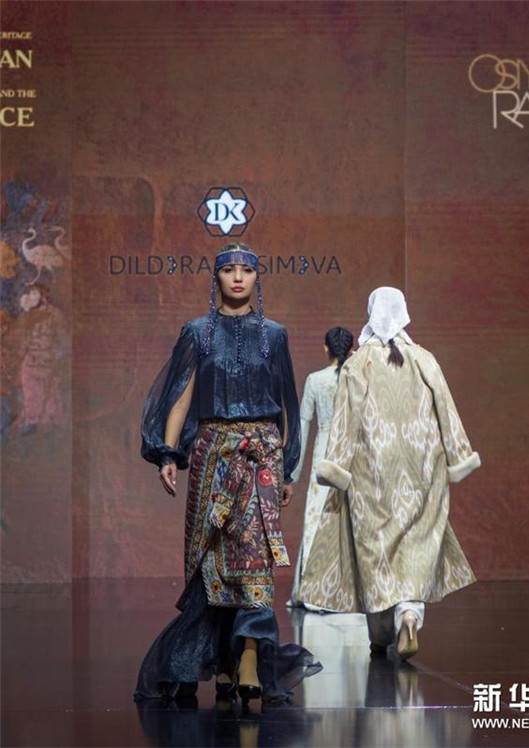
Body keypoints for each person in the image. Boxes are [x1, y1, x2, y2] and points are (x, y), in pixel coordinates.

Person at [134, 242, 321, 705]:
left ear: (257, 278)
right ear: (216, 277)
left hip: (260, 456)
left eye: (247, 270)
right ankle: (221, 659)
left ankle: (251, 657)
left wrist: (287, 467)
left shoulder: (274, 335)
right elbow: (181, 395)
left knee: (255, 557)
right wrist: (168, 454)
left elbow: (286, 404)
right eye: (229, 270)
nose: (238, 278)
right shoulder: (196, 333)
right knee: (210, 562)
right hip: (212, 454)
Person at [299, 287, 480, 659]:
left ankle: (381, 634)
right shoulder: (424, 359)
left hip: (373, 467)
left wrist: (337, 466)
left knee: (376, 548)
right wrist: (458, 455)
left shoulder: (359, 363)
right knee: (417, 543)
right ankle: (409, 614)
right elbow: (447, 410)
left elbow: (345, 420)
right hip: (423, 464)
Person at [287, 327, 354, 609]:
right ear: (351, 350)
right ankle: (346, 591)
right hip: (350, 451)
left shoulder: (315, 380)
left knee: (317, 514)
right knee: (349, 517)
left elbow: (303, 426)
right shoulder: (357, 378)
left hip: (324, 450)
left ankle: (312, 591)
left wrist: (292, 473)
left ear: (325, 347)